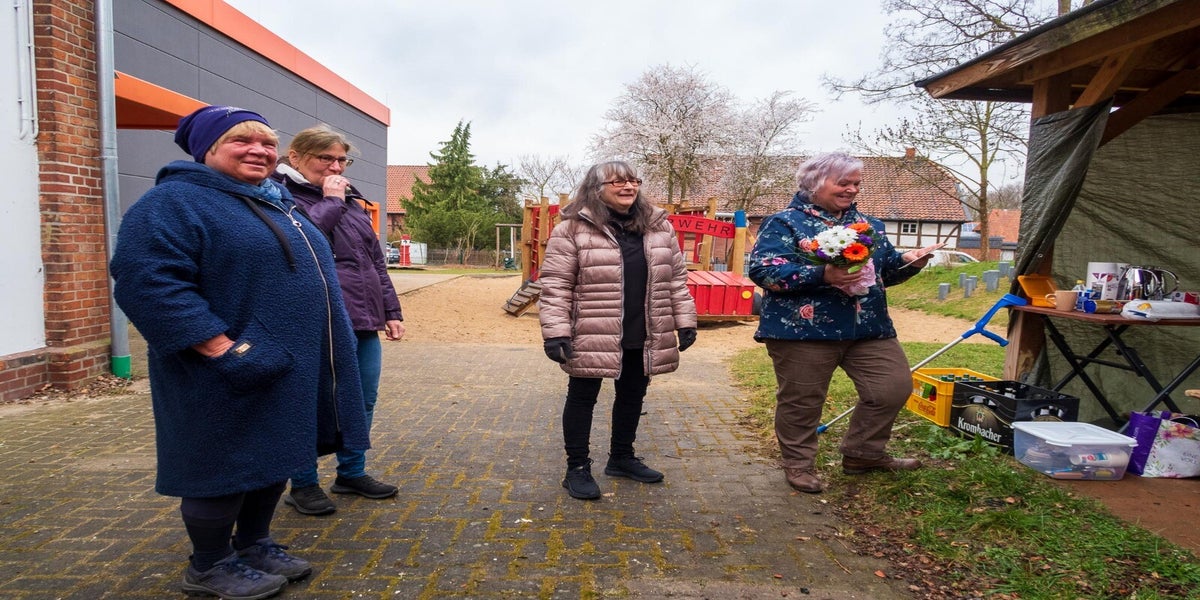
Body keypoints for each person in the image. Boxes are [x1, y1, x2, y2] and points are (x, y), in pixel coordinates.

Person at [110, 106, 369, 599]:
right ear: (206, 149)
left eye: (267, 143)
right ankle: (208, 565)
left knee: (272, 455)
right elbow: (147, 282)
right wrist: (222, 348)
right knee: (221, 464)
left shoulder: (275, 202)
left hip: (279, 366)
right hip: (221, 368)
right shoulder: (174, 202)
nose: (259, 151)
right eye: (241, 141)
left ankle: (254, 544)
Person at [747, 152, 938, 494]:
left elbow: (885, 271)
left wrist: (910, 262)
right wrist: (822, 275)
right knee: (802, 401)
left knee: (892, 388)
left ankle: (863, 454)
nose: (852, 190)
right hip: (803, 331)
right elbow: (764, 271)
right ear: (815, 183)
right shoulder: (785, 223)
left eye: (856, 184)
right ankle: (798, 465)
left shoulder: (868, 225)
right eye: (843, 183)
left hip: (868, 328)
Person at [538, 161, 698, 500]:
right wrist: (555, 332)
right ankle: (577, 468)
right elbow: (556, 285)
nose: (628, 187)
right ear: (596, 189)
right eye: (618, 182)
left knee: (632, 394)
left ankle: (621, 458)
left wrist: (685, 320)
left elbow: (676, 281)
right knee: (582, 397)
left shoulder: (659, 227)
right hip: (592, 329)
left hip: (644, 328)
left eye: (633, 180)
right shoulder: (572, 230)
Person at [274, 125, 404, 515]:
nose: (335, 167)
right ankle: (303, 482)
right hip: (315, 318)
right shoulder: (280, 195)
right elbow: (300, 242)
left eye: (341, 160)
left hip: (362, 318)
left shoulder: (353, 202)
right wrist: (331, 201)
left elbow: (375, 263)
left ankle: (351, 472)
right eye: (325, 159)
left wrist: (391, 311)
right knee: (309, 400)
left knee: (363, 397)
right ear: (296, 157)